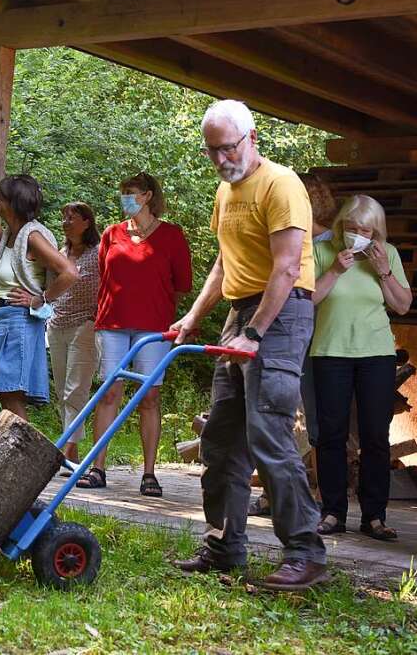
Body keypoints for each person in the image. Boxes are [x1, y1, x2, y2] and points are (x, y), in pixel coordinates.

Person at [172, 99, 327, 592]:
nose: (221, 160)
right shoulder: (226, 191)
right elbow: (224, 262)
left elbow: (285, 268)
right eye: (211, 151)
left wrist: (255, 332)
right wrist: (194, 317)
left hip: (280, 315)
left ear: (251, 137)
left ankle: (305, 552)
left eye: (227, 149)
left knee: (269, 436)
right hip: (242, 315)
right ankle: (224, 547)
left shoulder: (281, 185)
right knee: (220, 441)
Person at [77, 173, 191, 497]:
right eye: (123, 193)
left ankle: (150, 473)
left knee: (149, 397)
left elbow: (182, 283)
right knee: (109, 392)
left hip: (154, 327)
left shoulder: (171, 236)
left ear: (148, 195)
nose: (125, 198)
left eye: (131, 193)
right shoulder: (112, 234)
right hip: (112, 323)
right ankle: (97, 468)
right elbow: (103, 277)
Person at [310, 195, 411, 541]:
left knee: (375, 438)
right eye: (351, 228)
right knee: (331, 436)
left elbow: (401, 305)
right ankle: (333, 512)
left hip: (376, 355)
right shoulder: (324, 252)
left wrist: (383, 271)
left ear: (376, 232)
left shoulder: (389, 255)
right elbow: (308, 299)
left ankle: (374, 517)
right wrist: (336, 270)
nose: (356, 234)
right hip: (330, 352)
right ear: (341, 226)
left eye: (364, 230)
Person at [249, 172, 337, 517]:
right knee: (284, 418)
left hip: (311, 338)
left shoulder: (326, 245)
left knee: (301, 420)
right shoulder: (288, 241)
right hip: (293, 336)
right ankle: (277, 494)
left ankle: (302, 499)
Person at [0, 176, 76, 431]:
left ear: (13, 203)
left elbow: (69, 272)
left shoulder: (32, 235)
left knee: (11, 398)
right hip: (3, 323)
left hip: (19, 324)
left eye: (0, 198)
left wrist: (40, 298)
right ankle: (8, 452)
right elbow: (17, 257)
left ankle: (23, 461)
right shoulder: (15, 235)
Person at [45, 202, 100, 469]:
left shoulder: (99, 253)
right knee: (61, 390)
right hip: (57, 325)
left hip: (85, 326)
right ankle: (69, 446)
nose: (66, 222)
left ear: (87, 223)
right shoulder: (60, 253)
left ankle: (71, 450)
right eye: (64, 217)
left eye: (72, 217)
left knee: (75, 390)